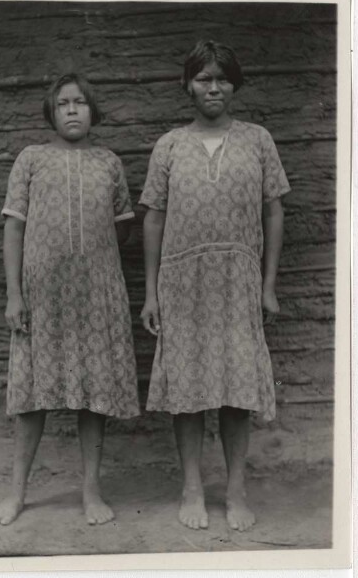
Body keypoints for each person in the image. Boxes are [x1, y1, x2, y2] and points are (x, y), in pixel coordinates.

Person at [140, 41, 290, 532]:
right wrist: (151, 292)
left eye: (222, 78)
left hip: (238, 280)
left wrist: (267, 284)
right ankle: (191, 486)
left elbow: (273, 211)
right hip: (182, 281)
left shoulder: (258, 140)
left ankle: (237, 489)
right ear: (188, 85)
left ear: (235, 85)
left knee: (237, 386)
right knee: (188, 388)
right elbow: (154, 218)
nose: (213, 87)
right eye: (204, 78)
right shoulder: (169, 145)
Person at [0, 73, 139, 527]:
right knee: (32, 397)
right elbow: (14, 228)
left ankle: (91, 492)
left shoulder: (109, 162)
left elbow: (122, 226)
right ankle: (16, 494)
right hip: (42, 297)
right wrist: (15, 294)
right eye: (63, 104)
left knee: (93, 396)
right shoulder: (31, 160)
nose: (72, 110)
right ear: (51, 113)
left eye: (81, 103)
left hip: (96, 296)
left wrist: (88, 255)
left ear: (94, 111)